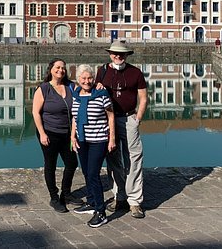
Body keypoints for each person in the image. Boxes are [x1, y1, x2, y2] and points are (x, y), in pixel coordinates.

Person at [96, 40, 148, 219]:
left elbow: (143, 97)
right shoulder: (102, 71)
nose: (118, 56)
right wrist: (98, 87)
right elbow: (93, 93)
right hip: (108, 121)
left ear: (127, 55)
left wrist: (138, 118)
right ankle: (119, 196)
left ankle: (134, 201)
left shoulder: (135, 72)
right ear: (110, 54)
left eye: (121, 54)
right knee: (113, 159)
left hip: (128, 118)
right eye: (114, 53)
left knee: (134, 158)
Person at [32, 58, 82, 213]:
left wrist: (98, 85)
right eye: (57, 67)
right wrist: (42, 133)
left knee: (72, 163)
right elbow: (36, 112)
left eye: (63, 68)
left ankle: (66, 193)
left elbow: (86, 91)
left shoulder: (71, 86)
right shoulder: (44, 88)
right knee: (50, 165)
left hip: (68, 133)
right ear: (51, 69)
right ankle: (54, 198)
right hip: (49, 132)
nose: (61, 70)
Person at [70, 65, 116, 228]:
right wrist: (72, 136)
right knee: (85, 172)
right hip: (82, 140)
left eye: (90, 78)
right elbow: (75, 117)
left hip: (99, 140)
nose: (87, 81)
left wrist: (112, 139)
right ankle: (91, 202)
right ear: (78, 79)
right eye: (83, 78)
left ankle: (101, 211)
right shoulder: (76, 95)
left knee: (93, 174)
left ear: (94, 79)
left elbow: (110, 116)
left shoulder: (101, 95)